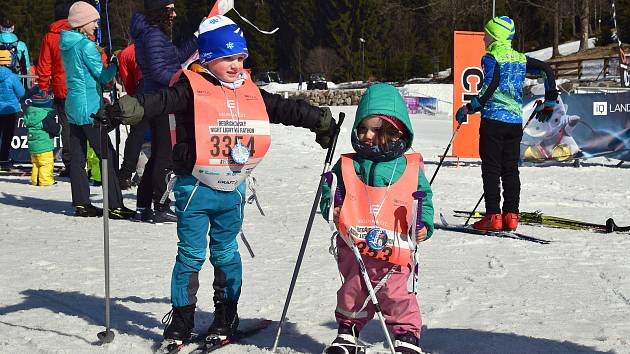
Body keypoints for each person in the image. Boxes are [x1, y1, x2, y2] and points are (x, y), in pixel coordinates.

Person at [100, 15, 336, 346]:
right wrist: (133, 107)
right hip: (193, 188)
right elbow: (160, 101)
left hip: (233, 190)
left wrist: (318, 120)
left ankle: (226, 313)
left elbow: (282, 108)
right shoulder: (190, 87)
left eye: (241, 58)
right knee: (191, 255)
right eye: (228, 58)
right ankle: (182, 318)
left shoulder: (249, 91)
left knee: (225, 253)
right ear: (207, 57)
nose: (237, 65)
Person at [319, 83, 434, 354]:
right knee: (353, 289)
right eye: (362, 128)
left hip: (394, 244)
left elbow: (423, 198)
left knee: (395, 292)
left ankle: (406, 334)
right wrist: (331, 207)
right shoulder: (350, 163)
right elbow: (332, 189)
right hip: (354, 244)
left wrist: (423, 224)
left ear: (396, 131)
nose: (367, 135)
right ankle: (348, 330)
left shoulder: (407, 165)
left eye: (376, 129)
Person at [455, 16, 557, 231]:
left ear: (495, 35)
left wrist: (470, 107)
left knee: (491, 168)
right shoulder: (520, 58)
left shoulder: (492, 57)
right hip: (513, 123)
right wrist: (549, 102)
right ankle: (511, 215)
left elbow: (489, 86)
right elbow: (547, 70)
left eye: (486, 34)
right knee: (510, 169)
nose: (484, 38)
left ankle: (493, 216)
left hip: (493, 121)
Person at [59, 1, 134, 219]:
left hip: (73, 107)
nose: (96, 25)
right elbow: (103, 77)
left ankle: (82, 203)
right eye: (94, 21)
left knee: (78, 157)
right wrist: (115, 64)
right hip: (90, 109)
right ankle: (115, 205)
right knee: (107, 155)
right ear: (82, 23)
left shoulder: (68, 43)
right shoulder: (86, 46)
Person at [129, 0, 198, 223]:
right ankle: (161, 204)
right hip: (163, 100)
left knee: (158, 153)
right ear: (160, 11)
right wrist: (183, 83)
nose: (175, 14)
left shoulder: (154, 33)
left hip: (159, 98)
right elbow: (161, 72)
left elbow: (175, 57)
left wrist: (198, 36)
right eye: (170, 9)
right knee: (165, 155)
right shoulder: (153, 35)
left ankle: (143, 205)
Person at [36, 1, 72, 176]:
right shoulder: (78, 32)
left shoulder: (50, 36)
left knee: (66, 126)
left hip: (60, 88)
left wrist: (42, 88)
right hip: (80, 87)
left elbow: (44, 66)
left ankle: (70, 162)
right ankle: (89, 164)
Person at [116, 42, 147, 190]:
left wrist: (134, 97)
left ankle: (126, 173)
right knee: (164, 133)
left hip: (141, 89)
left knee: (136, 133)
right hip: (162, 87)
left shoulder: (126, 53)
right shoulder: (160, 43)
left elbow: (127, 81)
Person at [23, 92, 61, 186]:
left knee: (36, 164)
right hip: (44, 146)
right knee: (46, 164)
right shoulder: (44, 116)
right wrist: (60, 128)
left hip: (33, 146)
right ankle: (45, 181)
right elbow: (54, 129)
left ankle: (35, 181)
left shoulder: (29, 114)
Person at [0, 49, 25, 168]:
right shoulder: (12, 76)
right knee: (7, 136)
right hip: (10, 110)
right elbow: (21, 92)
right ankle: (4, 160)